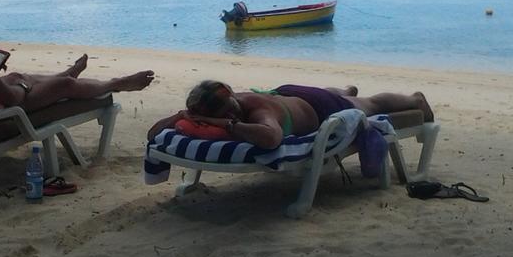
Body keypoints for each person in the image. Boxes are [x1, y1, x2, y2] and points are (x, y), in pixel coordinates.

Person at [0, 0, 155, 111]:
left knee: (16, 76)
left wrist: (9, 80)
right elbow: (12, 100)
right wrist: (23, 86)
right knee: (61, 87)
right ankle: (116, 83)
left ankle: (64, 74)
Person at [148, 80, 434, 150]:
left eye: (234, 109)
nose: (235, 112)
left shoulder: (257, 111)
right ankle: (343, 90)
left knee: (369, 104)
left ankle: (414, 99)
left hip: (317, 106)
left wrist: (226, 123)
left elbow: (271, 138)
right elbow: (152, 135)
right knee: (344, 96)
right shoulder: (206, 110)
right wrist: (175, 118)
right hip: (287, 95)